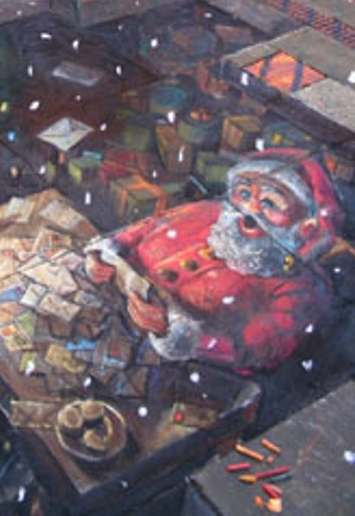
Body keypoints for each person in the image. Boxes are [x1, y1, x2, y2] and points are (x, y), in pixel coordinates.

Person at [86, 149, 344, 373]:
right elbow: (137, 232)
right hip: (103, 312)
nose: (250, 209)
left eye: (270, 203)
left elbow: (255, 352)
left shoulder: (305, 289)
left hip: (163, 369)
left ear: (305, 228)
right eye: (244, 194)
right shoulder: (209, 212)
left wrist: (174, 333)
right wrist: (101, 256)